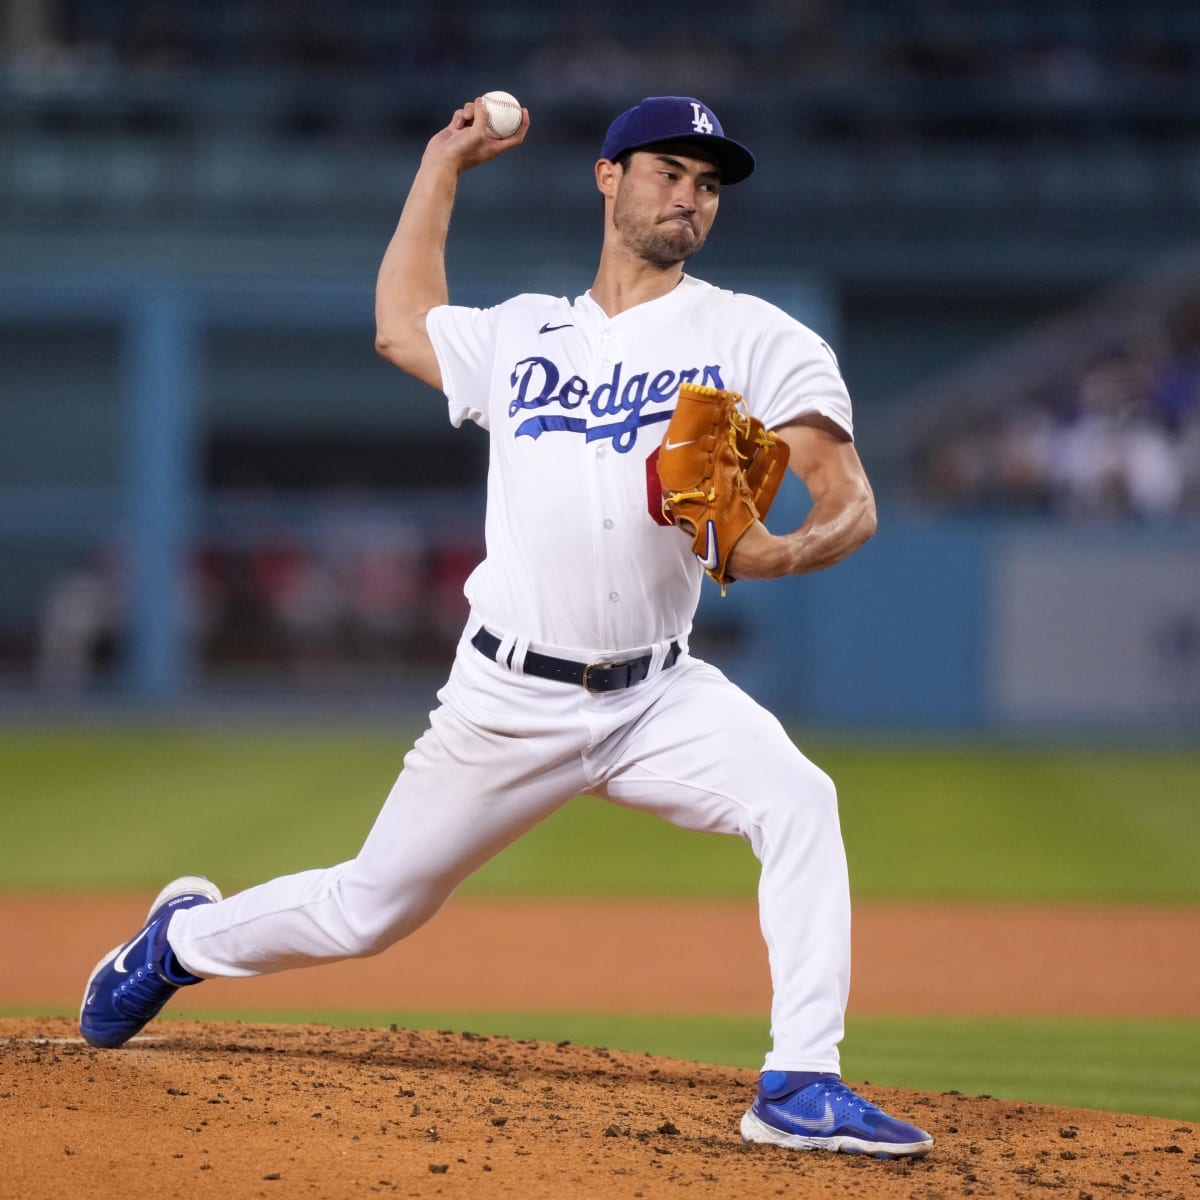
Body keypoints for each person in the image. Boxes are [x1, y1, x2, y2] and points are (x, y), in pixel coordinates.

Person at [79, 94, 933, 1159]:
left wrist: (784, 552)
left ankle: (800, 1081)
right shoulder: (523, 330)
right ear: (608, 177)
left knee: (800, 799)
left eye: (709, 184)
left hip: (658, 695)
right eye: (669, 171)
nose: (691, 197)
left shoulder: (753, 336)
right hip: (508, 697)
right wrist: (442, 163)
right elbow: (400, 324)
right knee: (367, 911)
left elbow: (848, 497)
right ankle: (180, 943)